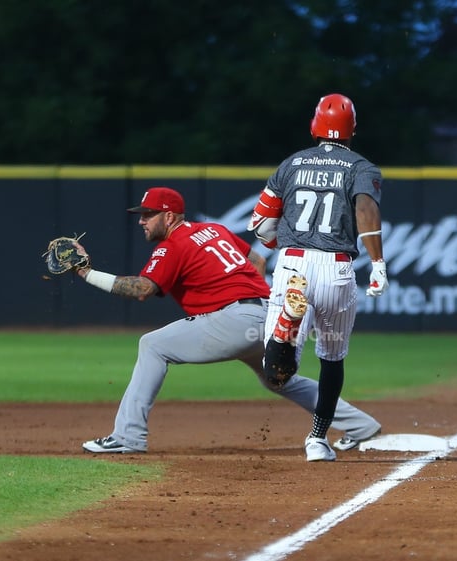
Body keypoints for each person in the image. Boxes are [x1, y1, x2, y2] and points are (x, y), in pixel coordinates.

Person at [77, 186, 381, 454]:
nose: (141, 220)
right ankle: (360, 426)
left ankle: (127, 436)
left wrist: (87, 273)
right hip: (270, 314)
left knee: (152, 345)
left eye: (149, 214)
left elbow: (142, 289)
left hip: (236, 318)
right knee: (279, 380)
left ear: (169, 217)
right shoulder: (215, 231)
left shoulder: (173, 244)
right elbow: (258, 260)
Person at [247, 93, 389, 462]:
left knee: (274, 371)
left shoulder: (292, 164)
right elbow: (365, 210)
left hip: (293, 264)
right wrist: (378, 264)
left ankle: (287, 332)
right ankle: (317, 439)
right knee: (332, 359)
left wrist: (289, 238)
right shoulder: (362, 167)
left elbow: (261, 225)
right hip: (337, 270)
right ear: (352, 130)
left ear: (314, 125)